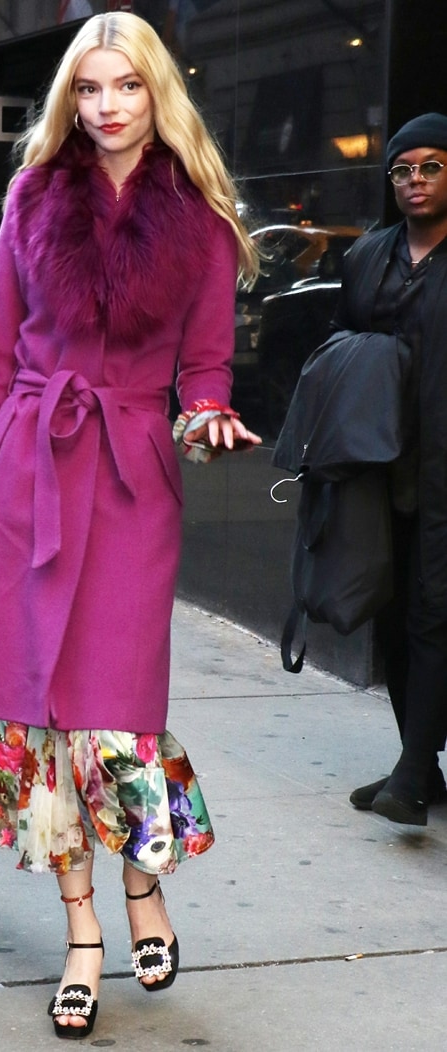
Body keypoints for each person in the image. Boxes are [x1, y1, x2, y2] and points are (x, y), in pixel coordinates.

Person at [0, 11, 260, 1041]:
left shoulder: (195, 215)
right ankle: (81, 935)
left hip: (128, 483)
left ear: (159, 95)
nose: (107, 105)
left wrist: (205, 420)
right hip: (24, 470)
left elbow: (203, 369)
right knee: (33, 721)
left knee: (117, 715)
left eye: (127, 87)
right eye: (91, 88)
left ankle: (143, 881)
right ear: (71, 96)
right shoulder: (31, 194)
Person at [333, 113, 447, 826]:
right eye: (402, 170)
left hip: (445, 469)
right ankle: (420, 761)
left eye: (431, 167)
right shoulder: (369, 257)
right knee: (397, 610)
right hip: (384, 465)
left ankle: (411, 774)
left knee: (434, 610)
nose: (414, 181)